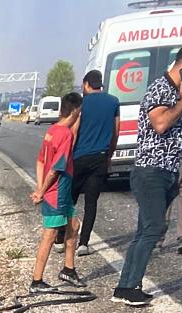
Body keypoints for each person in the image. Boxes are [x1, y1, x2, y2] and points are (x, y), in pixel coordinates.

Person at [112, 41, 182, 306]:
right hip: (151, 170)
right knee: (153, 229)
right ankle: (127, 287)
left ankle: (126, 286)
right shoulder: (160, 88)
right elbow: (160, 123)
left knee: (145, 230)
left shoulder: (179, 91)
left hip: (168, 171)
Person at [29, 92, 85, 292]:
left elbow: (40, 161)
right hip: (57, 192)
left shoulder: (52, 130)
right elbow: (56, 167)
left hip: (59, 192)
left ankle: (68, 270)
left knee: (74, 225)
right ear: (77, 109)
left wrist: (38, 186)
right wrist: (42, 191)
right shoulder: (65, 135)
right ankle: (36, 281)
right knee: (50, 234)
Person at [70, 69, 121, 257]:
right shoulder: (113, 102)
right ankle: (83, 243)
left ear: (85, 84)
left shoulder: (82, 103)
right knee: (91, 201)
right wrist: (109, 156)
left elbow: (74, 132)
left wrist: (67, 156)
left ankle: (61, 236)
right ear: (101, 84)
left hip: (79, 157)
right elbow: (116, 131)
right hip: (100, 156)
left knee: (70, 198)